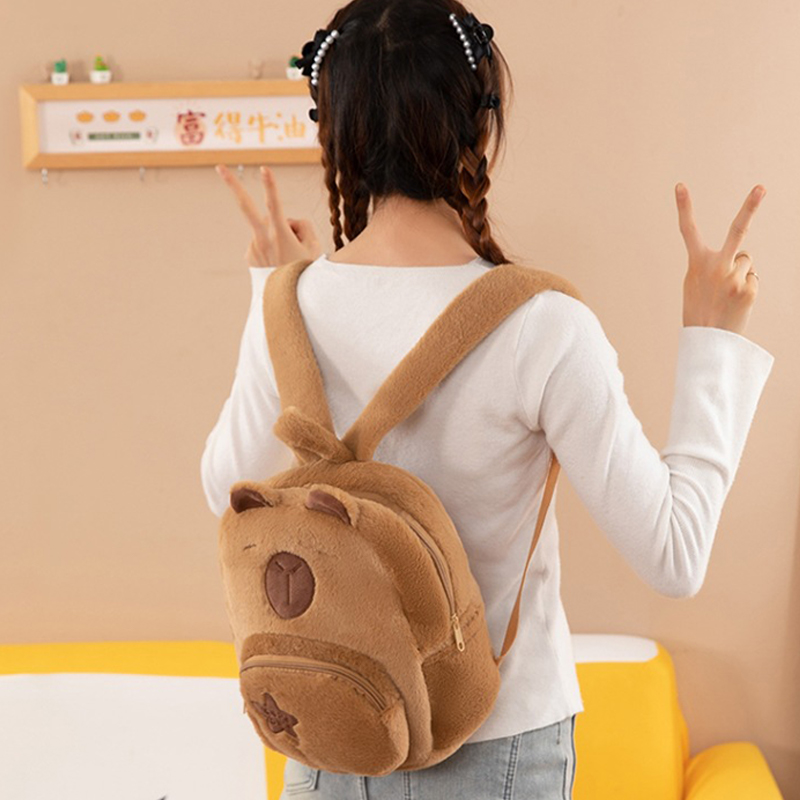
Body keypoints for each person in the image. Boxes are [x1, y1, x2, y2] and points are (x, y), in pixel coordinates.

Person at [200, 1, 775, 797]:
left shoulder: (288, 305)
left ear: (333, 133)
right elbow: (673, 556)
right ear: (480, 127)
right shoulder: (543, 325)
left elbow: (224, 491)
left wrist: (274, 292)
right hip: (500, 745)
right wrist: (713, 342)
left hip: (337, 735)